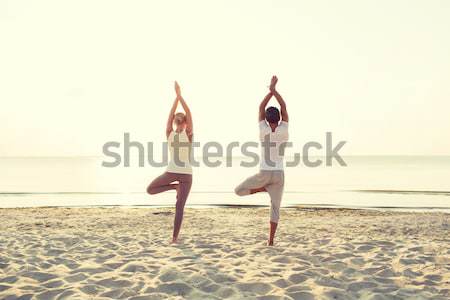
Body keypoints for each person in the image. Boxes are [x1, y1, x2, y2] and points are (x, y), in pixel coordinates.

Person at [234, 75, 289, 246]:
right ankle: (270, 241)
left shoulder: (263, 129)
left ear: (266, 119)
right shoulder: (284, 130)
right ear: (279, 119)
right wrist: (275, 91)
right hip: (279, 174)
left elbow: (261, 107)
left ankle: (262, 189)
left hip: (264, 173)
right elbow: (284, 107)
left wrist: (269, 91)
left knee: (239, 190)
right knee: (275, 208)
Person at [147, 81, 193, 244]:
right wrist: (178, 97)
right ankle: (175, 187)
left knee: (179, 207)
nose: (179, 124)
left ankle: (174, 238)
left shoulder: (186, 133)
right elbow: (180, 113)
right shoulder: (172, 133)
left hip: (184, 174)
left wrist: (178, 97)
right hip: (174, 172)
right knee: (151, 190)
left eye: (181, 121)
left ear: (184, 123)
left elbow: (184, 112)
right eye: (178, 121)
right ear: (177, 123)